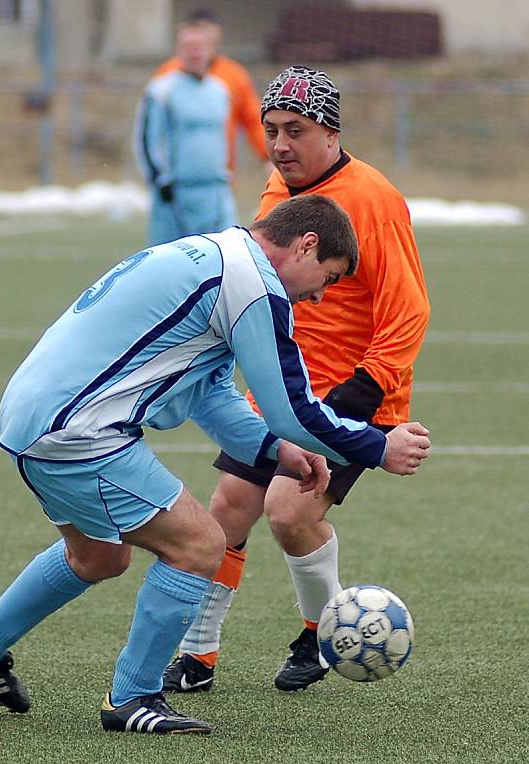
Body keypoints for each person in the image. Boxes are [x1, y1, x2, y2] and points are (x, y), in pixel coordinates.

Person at [0, 194, 430, 736]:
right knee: (199, 545)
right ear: (307, 244)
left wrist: (277, 452)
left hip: (32, 417)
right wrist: (377, 447)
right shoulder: (256, 286)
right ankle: (132, 697)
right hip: (79, 431)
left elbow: (210, 395)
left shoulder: (216, 255)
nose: (318, 296)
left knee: (99, 556)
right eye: (328, 278)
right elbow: (293, 408)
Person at [163, 65, 431, 697]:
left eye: (296, 130)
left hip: (353, 392)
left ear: (331, 134)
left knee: (288, 511)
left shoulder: (374, 199)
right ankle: (198, 654)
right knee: (228, 507)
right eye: (272, 130)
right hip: (281, 388)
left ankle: (320, 631)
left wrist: (365, 390)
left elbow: (408, 308)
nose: (281, 144)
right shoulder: (276, 193)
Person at [133, 18, 237, 246]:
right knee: (171, 264)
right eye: (188, 47)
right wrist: (160, 180)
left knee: (226, 257)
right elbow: (146, 140)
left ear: (211, 50)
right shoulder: (161, 90)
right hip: (177, 194)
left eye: (200, 46)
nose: (195, 52)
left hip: (216, 190)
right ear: (178, 50)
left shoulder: (220, 91)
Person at [154, 8, 267, 178]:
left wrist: (268, 156)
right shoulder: (166, 79)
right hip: (177, 179)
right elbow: (153, 130)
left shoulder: (232, 75)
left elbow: (253, 119)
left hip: (220, 177)